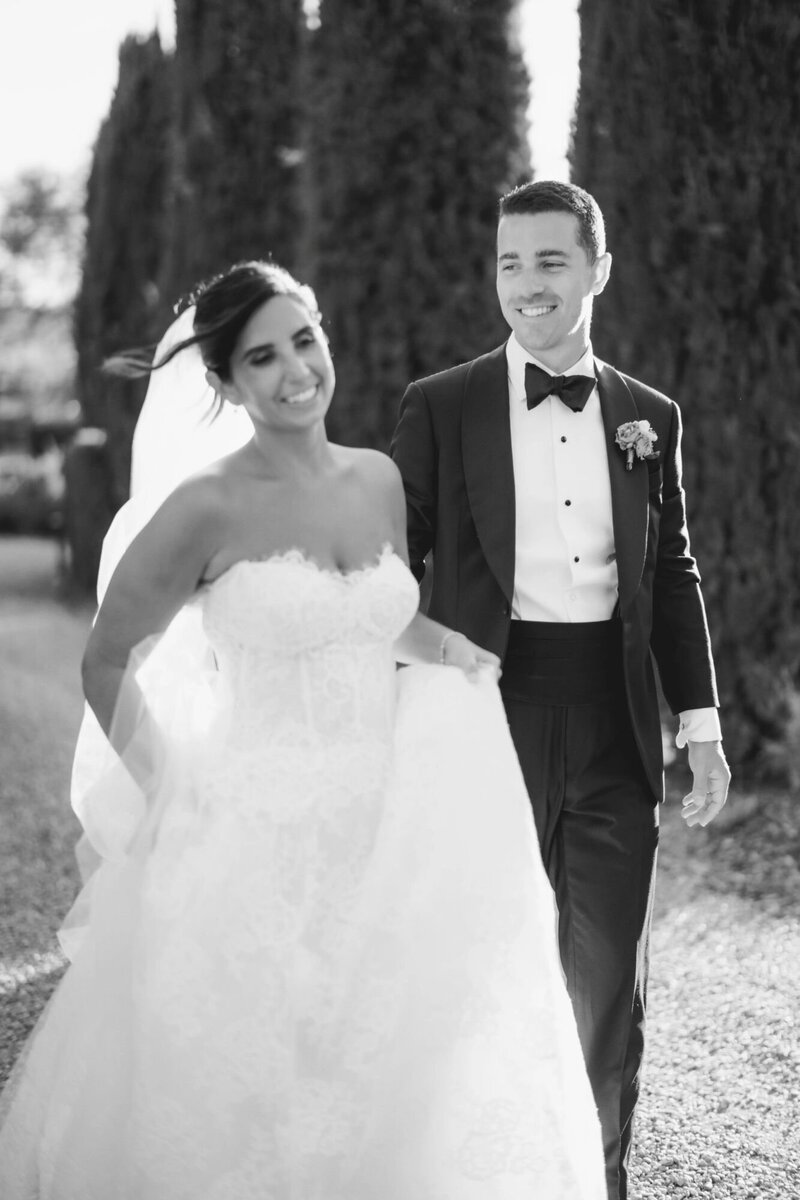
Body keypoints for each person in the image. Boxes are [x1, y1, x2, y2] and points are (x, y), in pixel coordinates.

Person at [0, 261, 606, 1198]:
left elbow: (377, 616)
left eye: (304, 340)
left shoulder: (376, 480)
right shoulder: (204, 506)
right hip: (249, 832)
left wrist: (452, 650)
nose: (295, 372)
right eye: (261, 357)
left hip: (385, 820)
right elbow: (105, 658)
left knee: (385, 1064)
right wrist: (167, 793)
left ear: (326, 337)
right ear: (224, 382)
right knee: (257, 1085)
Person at [391, 180, 731, 1200]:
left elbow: (671, 574)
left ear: (594, 270)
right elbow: (387, 567)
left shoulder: (647, 416)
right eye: (508, 262)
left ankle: (595, 1178)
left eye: (548, 261)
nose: (526, 284)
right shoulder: (439, 405)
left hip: (615, 722)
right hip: (486, 713)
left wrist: (701, 725)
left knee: (603, 970)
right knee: (487, 965)